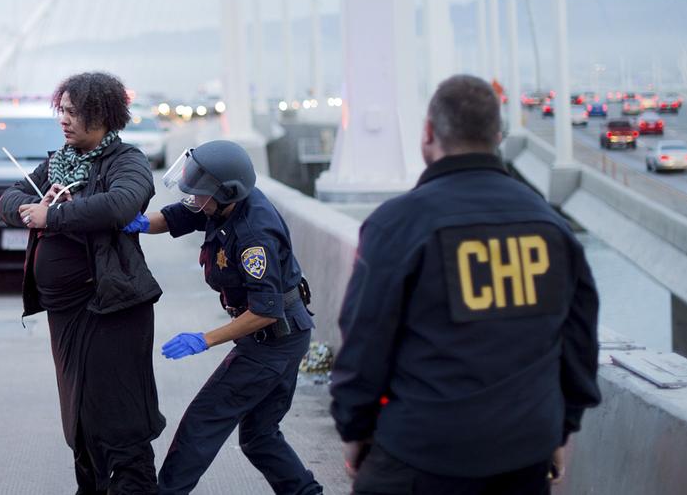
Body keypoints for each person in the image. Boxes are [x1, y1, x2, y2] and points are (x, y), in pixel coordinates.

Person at [330, 74, 601, 494]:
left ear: (427, 134)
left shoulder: (397, 225)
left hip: (420, 454)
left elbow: (364, 341)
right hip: (524, 454)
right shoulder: (552, 227)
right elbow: (579, 343)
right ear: (497, 136)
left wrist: (354, 429)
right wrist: (561, 428)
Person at [0, 71, 164, 494]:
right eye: (62, 111)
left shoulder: (127, 161)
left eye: (74, 112)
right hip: (67, 313)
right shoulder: (58, 162)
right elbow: (9, 197)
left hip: (110, 308)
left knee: (121, 423)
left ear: (102, 116)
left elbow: (120, 205)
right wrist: (31, 206)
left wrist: (53, 216)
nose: (64, 120)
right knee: (81, 422)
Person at [126, 139, 323, 495]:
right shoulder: (221, 205)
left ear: (227, 193)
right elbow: (180, 215)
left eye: (201, 194)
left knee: (202, 423)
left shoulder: (254, 235)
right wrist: (140, 224)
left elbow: (266, 310)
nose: (196, 200)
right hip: (284, 336)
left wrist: (205, 339)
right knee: (259, 436)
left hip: (272, 341)